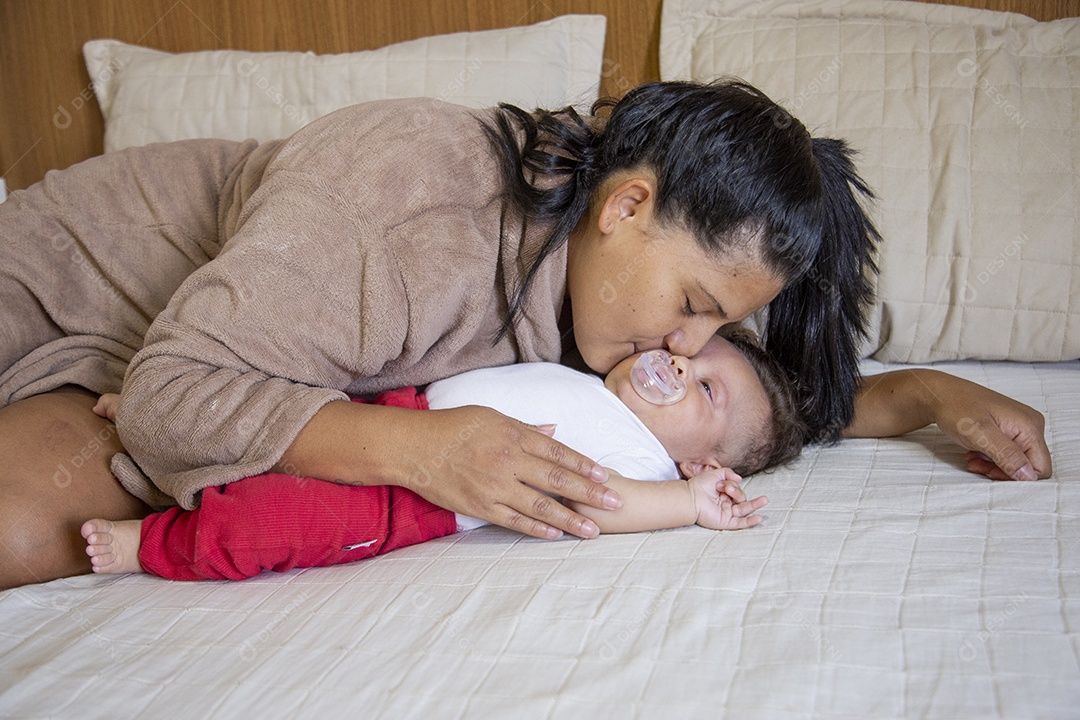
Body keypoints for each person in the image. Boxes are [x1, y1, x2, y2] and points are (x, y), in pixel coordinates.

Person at [0, 79, 1051, 590]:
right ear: (628, 208)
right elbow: (171, 392)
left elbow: (733, 409)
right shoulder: (412, 214)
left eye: (718, 325)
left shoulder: (605, 297)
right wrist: (425, 452)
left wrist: (921, 396)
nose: (686, 349)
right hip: (61, 303)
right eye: (693, 307)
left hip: (155, 354)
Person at [80, 327, 800, 580]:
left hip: (410, 503)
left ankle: (151, 544)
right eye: (687, 354)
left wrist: (686, 506)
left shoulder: (641, 461)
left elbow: (599, 503)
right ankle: (165, 419)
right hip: (398, 415)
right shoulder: (591, 373)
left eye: (706, 390)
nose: (678, 366)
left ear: (700, 464)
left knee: (265, 524)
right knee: (269, 416)